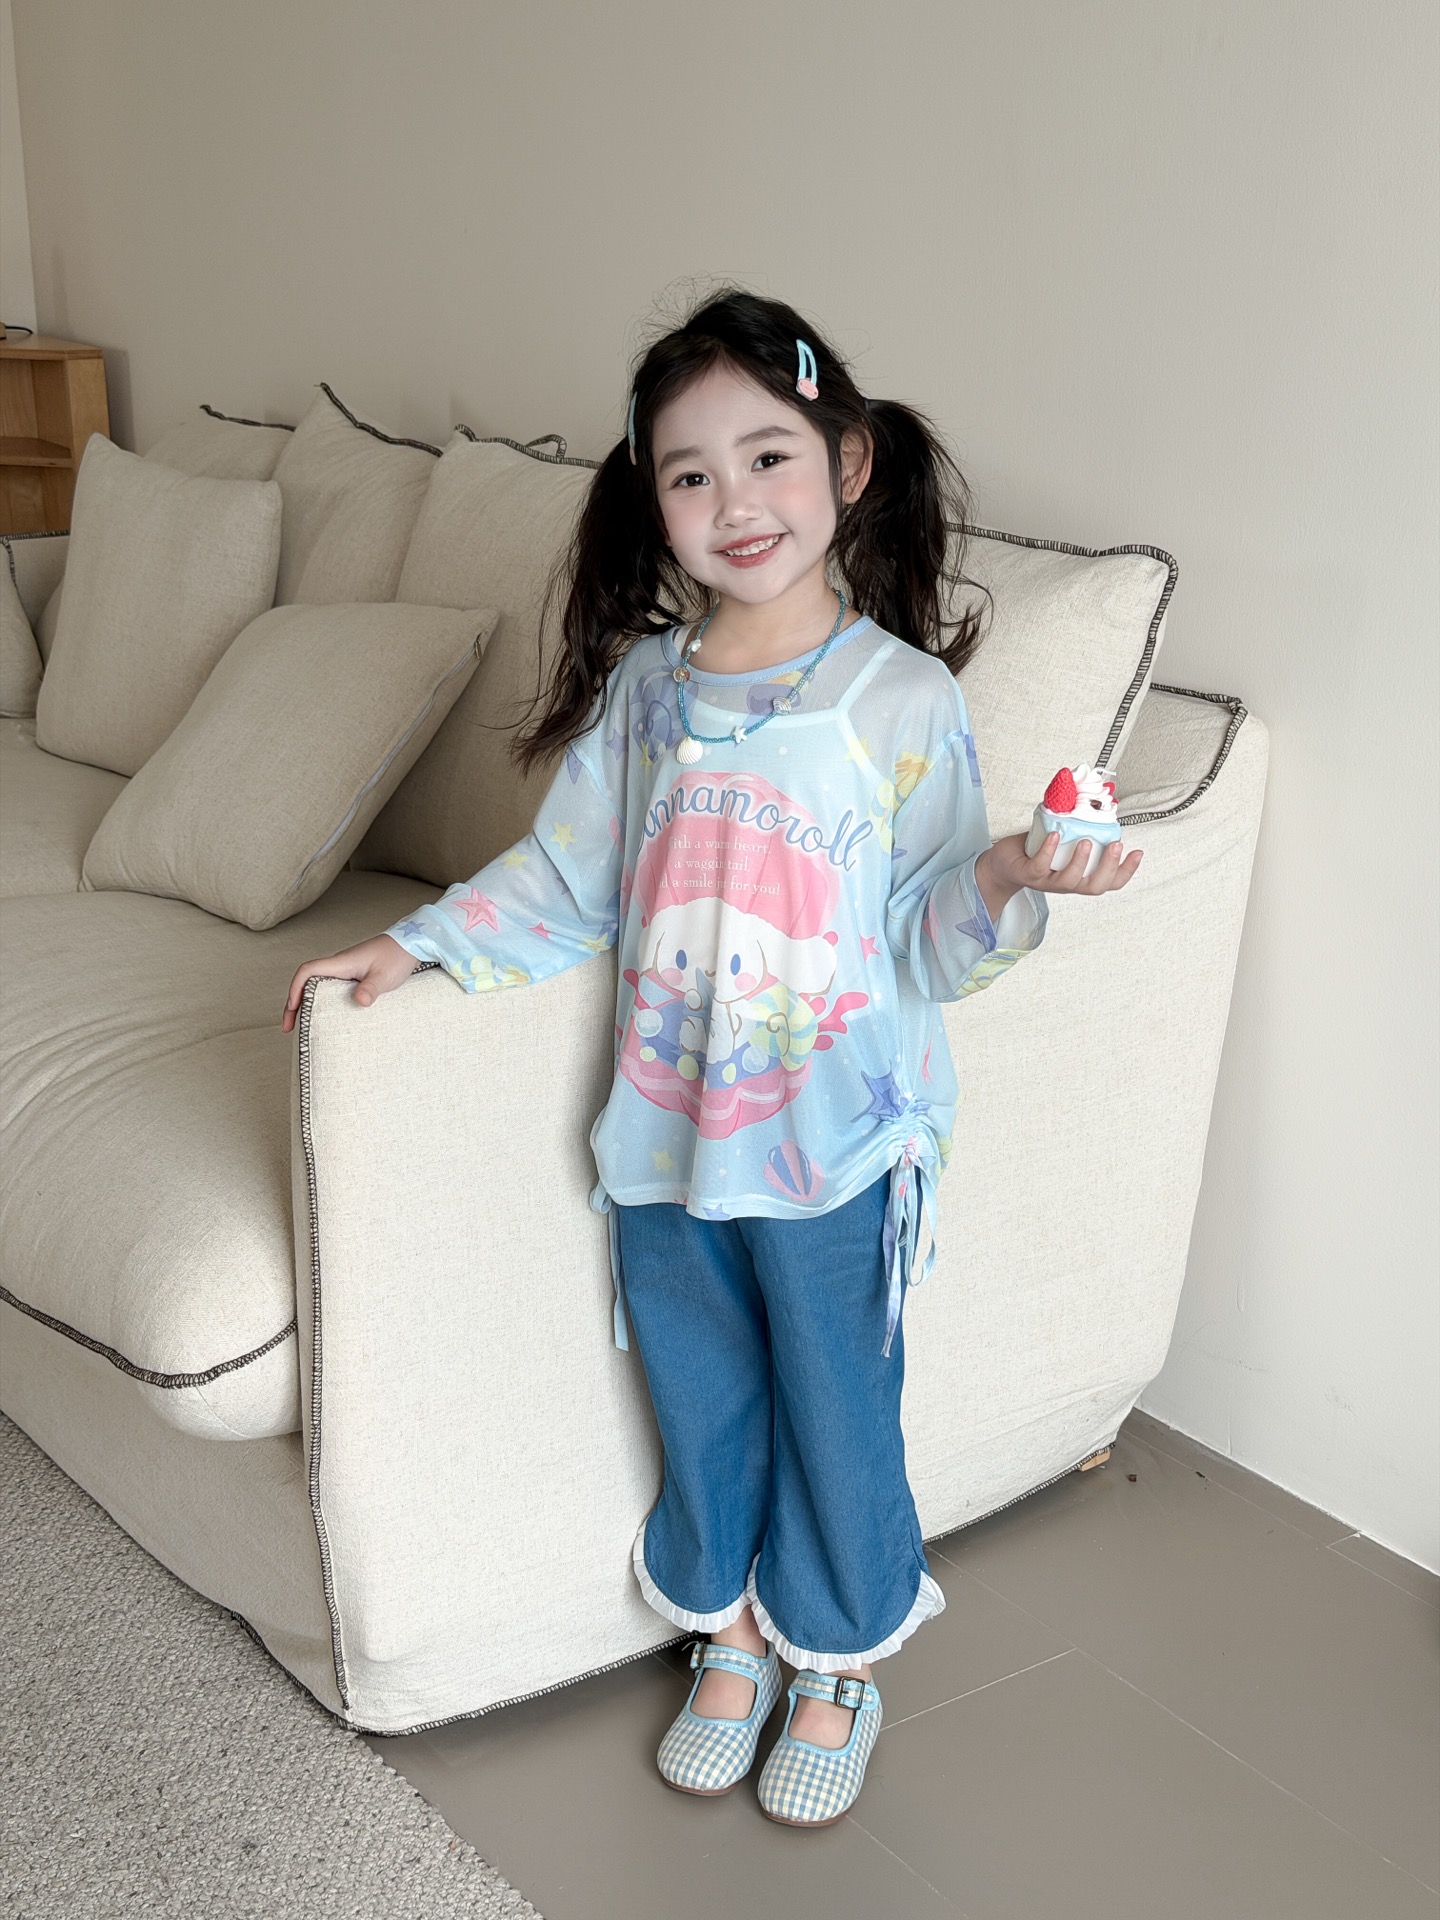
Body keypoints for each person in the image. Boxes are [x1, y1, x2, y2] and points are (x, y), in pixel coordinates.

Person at [281, 288, 1142, 1827]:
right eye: (691, 473)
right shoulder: (649, 693)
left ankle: (838, 1656)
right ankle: (729, 1633)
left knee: (835, 1403)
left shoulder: (902, 698)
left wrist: (1012, 872)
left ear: (848, 464)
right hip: (667, 1134)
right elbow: (569, 880)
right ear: (652, 499)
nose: (735, 500)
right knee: (699, 1391)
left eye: (769, 456)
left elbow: (929, 944)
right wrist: (414, 944)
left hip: (836, 1144)